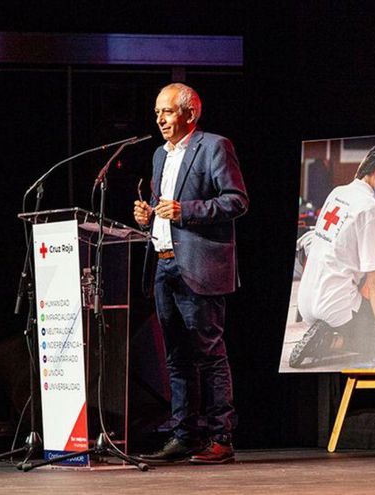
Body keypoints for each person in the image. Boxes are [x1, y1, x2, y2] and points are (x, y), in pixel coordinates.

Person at [133, 83, 248, 464]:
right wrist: (148, 215)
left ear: (189, 114)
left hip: (199, 265)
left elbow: (236, 201)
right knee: (176, 358)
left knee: (209, 354)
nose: (160, 119)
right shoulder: (158, 155)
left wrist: (186, 210)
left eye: (166, 112)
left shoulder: (214, 146)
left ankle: (221, 437)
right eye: (157, 114)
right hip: (164, 263)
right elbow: (160, 204)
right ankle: (184, 435)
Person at [293, 144, 375, 367]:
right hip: (336, 305)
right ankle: (330, 341)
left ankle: (326, 336)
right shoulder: (370, 208)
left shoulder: (338, 192)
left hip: (305, 301)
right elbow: (374, 280)